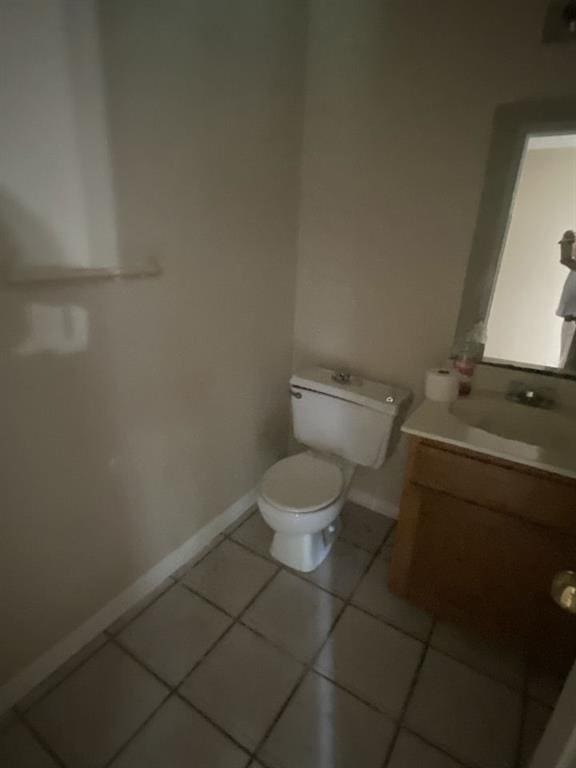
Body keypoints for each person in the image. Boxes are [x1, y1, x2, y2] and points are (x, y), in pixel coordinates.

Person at [557, 230, 576, 369]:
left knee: (569, 367)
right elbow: (566, 259)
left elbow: (567, 260)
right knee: (565, 363)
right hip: (570, 321)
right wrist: (568, 241)